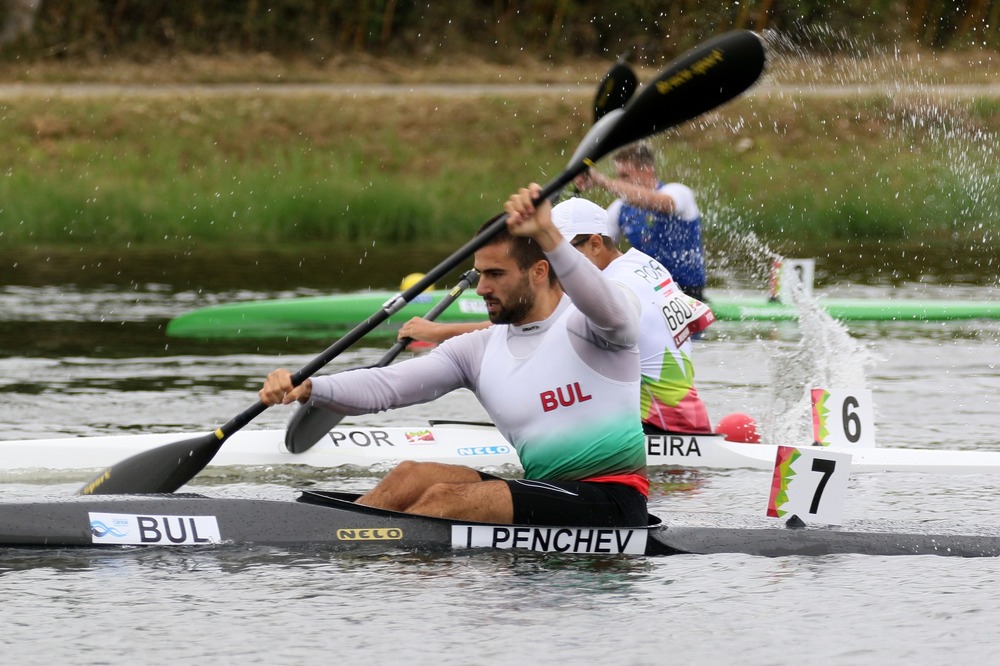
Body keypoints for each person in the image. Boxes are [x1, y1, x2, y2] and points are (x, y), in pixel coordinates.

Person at [260, 183, 648, 527]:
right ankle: (337, 541)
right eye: (480, 274)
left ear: (539, 271)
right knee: (411, 476)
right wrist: (309, 386)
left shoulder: (591, 326)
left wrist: (548, 233)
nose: (481, 289)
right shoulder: (478, 349)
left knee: (446, 501)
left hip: (612, 503)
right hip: (545, 492)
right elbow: (387, 386)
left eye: (495, 274)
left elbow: (614, 312)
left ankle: (375, 554)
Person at [397, 197, 715, 434]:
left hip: (655, 428)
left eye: (561, 250)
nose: (553, 262)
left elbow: (524, 330)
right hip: (685, 419)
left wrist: (436, 332)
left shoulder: (612, 292)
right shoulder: (644, 264)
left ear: (594, 244)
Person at [575, 140, 707, 301]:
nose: (620, 182)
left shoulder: (678, 192)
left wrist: (603, 181)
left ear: (647, 171)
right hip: (648, 291)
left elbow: (662, 204)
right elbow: (595, 246)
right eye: (618, 176)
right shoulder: (618, 208)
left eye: (625, 176)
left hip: (688, 293)